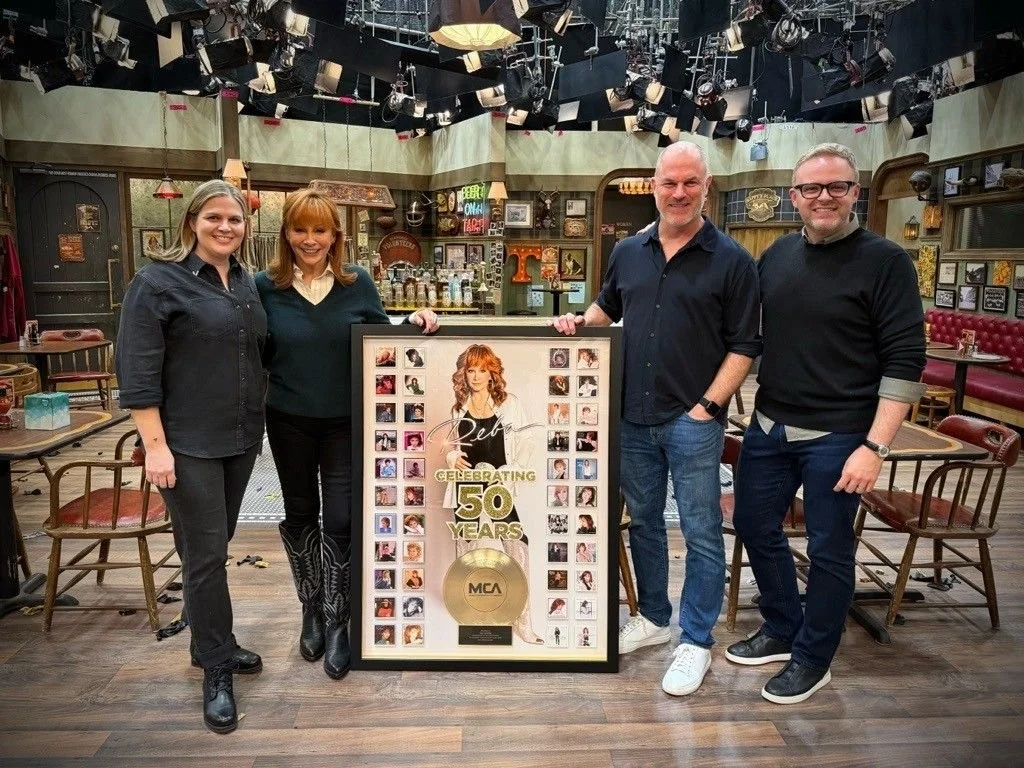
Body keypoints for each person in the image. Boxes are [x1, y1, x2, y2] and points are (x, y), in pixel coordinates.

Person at [550, 141, 761, 698]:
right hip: (631, 417)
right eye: (670, 182)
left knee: (700, 530)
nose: (679, 193)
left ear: (706, 187)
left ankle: (696, 639)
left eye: (691, 182)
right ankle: (654, 617)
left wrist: (708, 407)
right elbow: (607, 307)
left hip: (693, 420)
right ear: (654, 187)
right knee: (643, 522)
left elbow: (745, 345)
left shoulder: (733, 261)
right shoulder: (628, 252)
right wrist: (578, 324)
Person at [727, 143, 925, 704]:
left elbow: (905, 361)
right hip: (770, 425)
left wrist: (874, 448)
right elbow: (742, 327)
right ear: (794, 197)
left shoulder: (887, 262)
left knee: (829, 549)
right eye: (811, 188)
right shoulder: (777, 255)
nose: (824, 197)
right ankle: (782, 627)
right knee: (754, 525)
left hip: (840, 437)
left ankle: (814, 659)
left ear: (854, 192)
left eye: (836, 186)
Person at [257, 188, 438, 682]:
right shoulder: (264, 286)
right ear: (285, 234)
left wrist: (411, 322)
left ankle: (340, 619)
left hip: (345, 422)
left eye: (320, 230)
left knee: (341, 515)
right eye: (300, 229)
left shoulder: (357, 283)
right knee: (300, 512)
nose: (310, 239)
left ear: (335, 235)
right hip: (288, 419)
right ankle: (311, 610)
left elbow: (379, 337)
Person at [116, 180, 266, 734]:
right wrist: (155, 448)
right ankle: (216, 667)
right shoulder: (157, 282)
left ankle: (208, 642)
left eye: (235, 219)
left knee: (212, 546)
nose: (226, 227)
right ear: (192, 222)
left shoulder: (246, 282)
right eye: (214, 217)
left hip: (240, 438)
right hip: (186, 443)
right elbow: (136, 372)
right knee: (205, 557)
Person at [442, 344, 542, 644]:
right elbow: (450, 446)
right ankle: (471, 616)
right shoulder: (457, 408)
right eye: (470, 370)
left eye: (482, 370)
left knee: (518, 546)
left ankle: (523, 620)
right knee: (466, 552)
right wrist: (452, 458)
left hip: (498, 485)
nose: (475, 376)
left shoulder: (510, 404)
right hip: (467, 486)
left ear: (492, 373)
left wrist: (511, 471)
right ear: (463, 374)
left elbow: (527, 442)